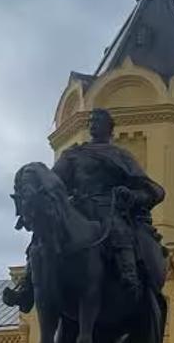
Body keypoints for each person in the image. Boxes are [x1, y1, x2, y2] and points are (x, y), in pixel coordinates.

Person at [52, 108, 165, 300]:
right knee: (46, 237)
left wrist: (130, 195)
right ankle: (27, 284)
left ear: (109, 128)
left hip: (107, 206)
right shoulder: (74, 154)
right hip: (77, 208)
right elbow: (54, 182)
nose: (93, 124)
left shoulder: (120, 156)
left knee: (118, 229)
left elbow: (150, 189)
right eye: (91, 121)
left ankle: (129, 275)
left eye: (98, 121)